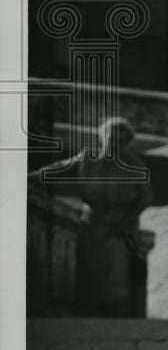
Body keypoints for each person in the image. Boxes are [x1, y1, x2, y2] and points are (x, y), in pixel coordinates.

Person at [31, 116, 152, 316]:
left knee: (116, 281)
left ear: (128, 143)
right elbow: (58, 168)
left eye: (121, 141)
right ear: (103, 138)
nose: (115, 144)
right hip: (93, 224)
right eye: (112, 138)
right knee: (90, 277)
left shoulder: (135, 164)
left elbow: (146, 197)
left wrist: (127, 221)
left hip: (121, 228)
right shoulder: (88, 158)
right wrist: (28, 177)